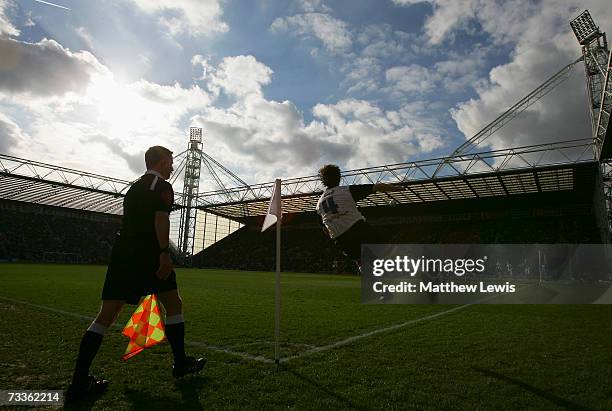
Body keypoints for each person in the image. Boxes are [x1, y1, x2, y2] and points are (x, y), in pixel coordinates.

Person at [67, 146, 205, 401]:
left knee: (105, 316)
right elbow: (160, 220)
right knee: (174, 304)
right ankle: (181, 363)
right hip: (149, 254)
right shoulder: (163, 186)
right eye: (170, 161)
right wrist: (164, 253)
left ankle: (79, 381)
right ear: (161, 162)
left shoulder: (134, 188)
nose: (173, 166)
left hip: (123, 255)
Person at [315, 164, 404, 268]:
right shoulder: (346, 191)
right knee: (387, 250)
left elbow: (325, 229)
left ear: (323, 181)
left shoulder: (319, 204)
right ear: (339, 178)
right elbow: (378, 187)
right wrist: (398, 188)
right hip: (358, 229)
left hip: (340, 240)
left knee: (362, 260)